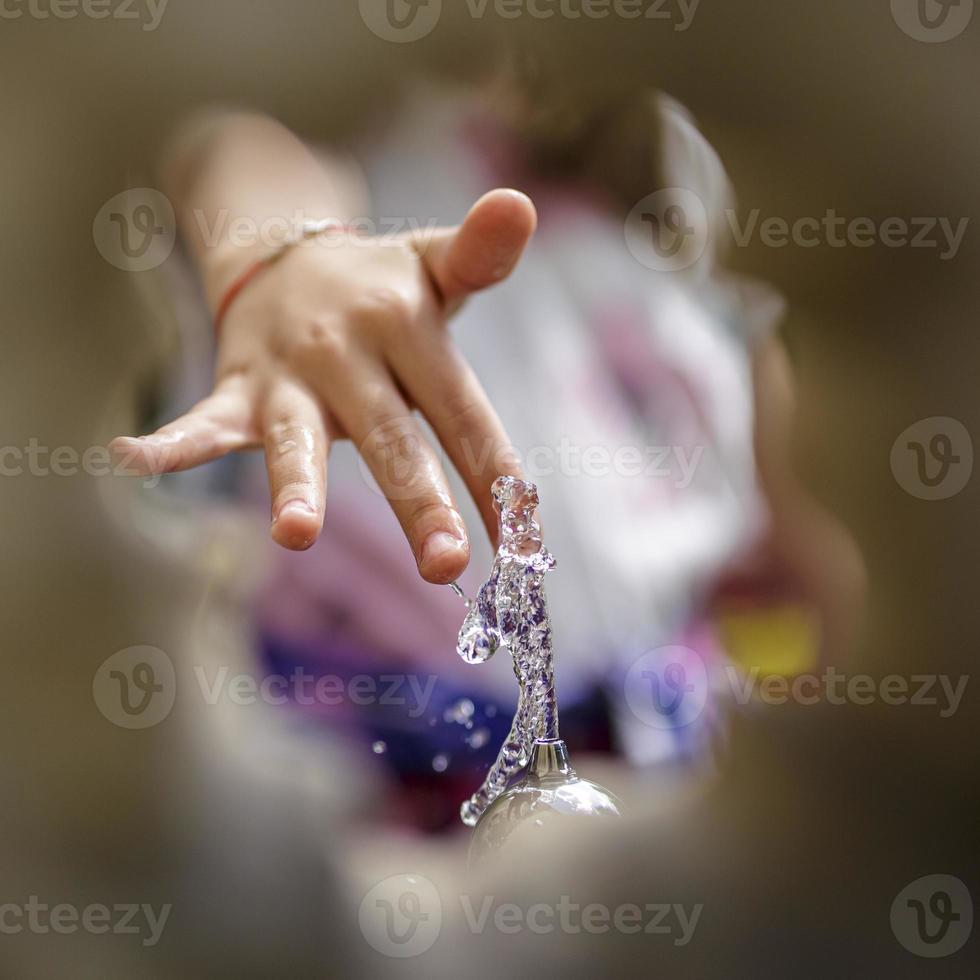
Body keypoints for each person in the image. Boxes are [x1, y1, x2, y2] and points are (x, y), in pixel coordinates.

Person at [110, 67, 864, 829]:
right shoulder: (385, 193)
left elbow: (735, 339)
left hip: (646, 665)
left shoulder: (630, 213)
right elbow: (234, 151)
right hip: (424, 713)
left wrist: (777, 504)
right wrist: (279, 254)